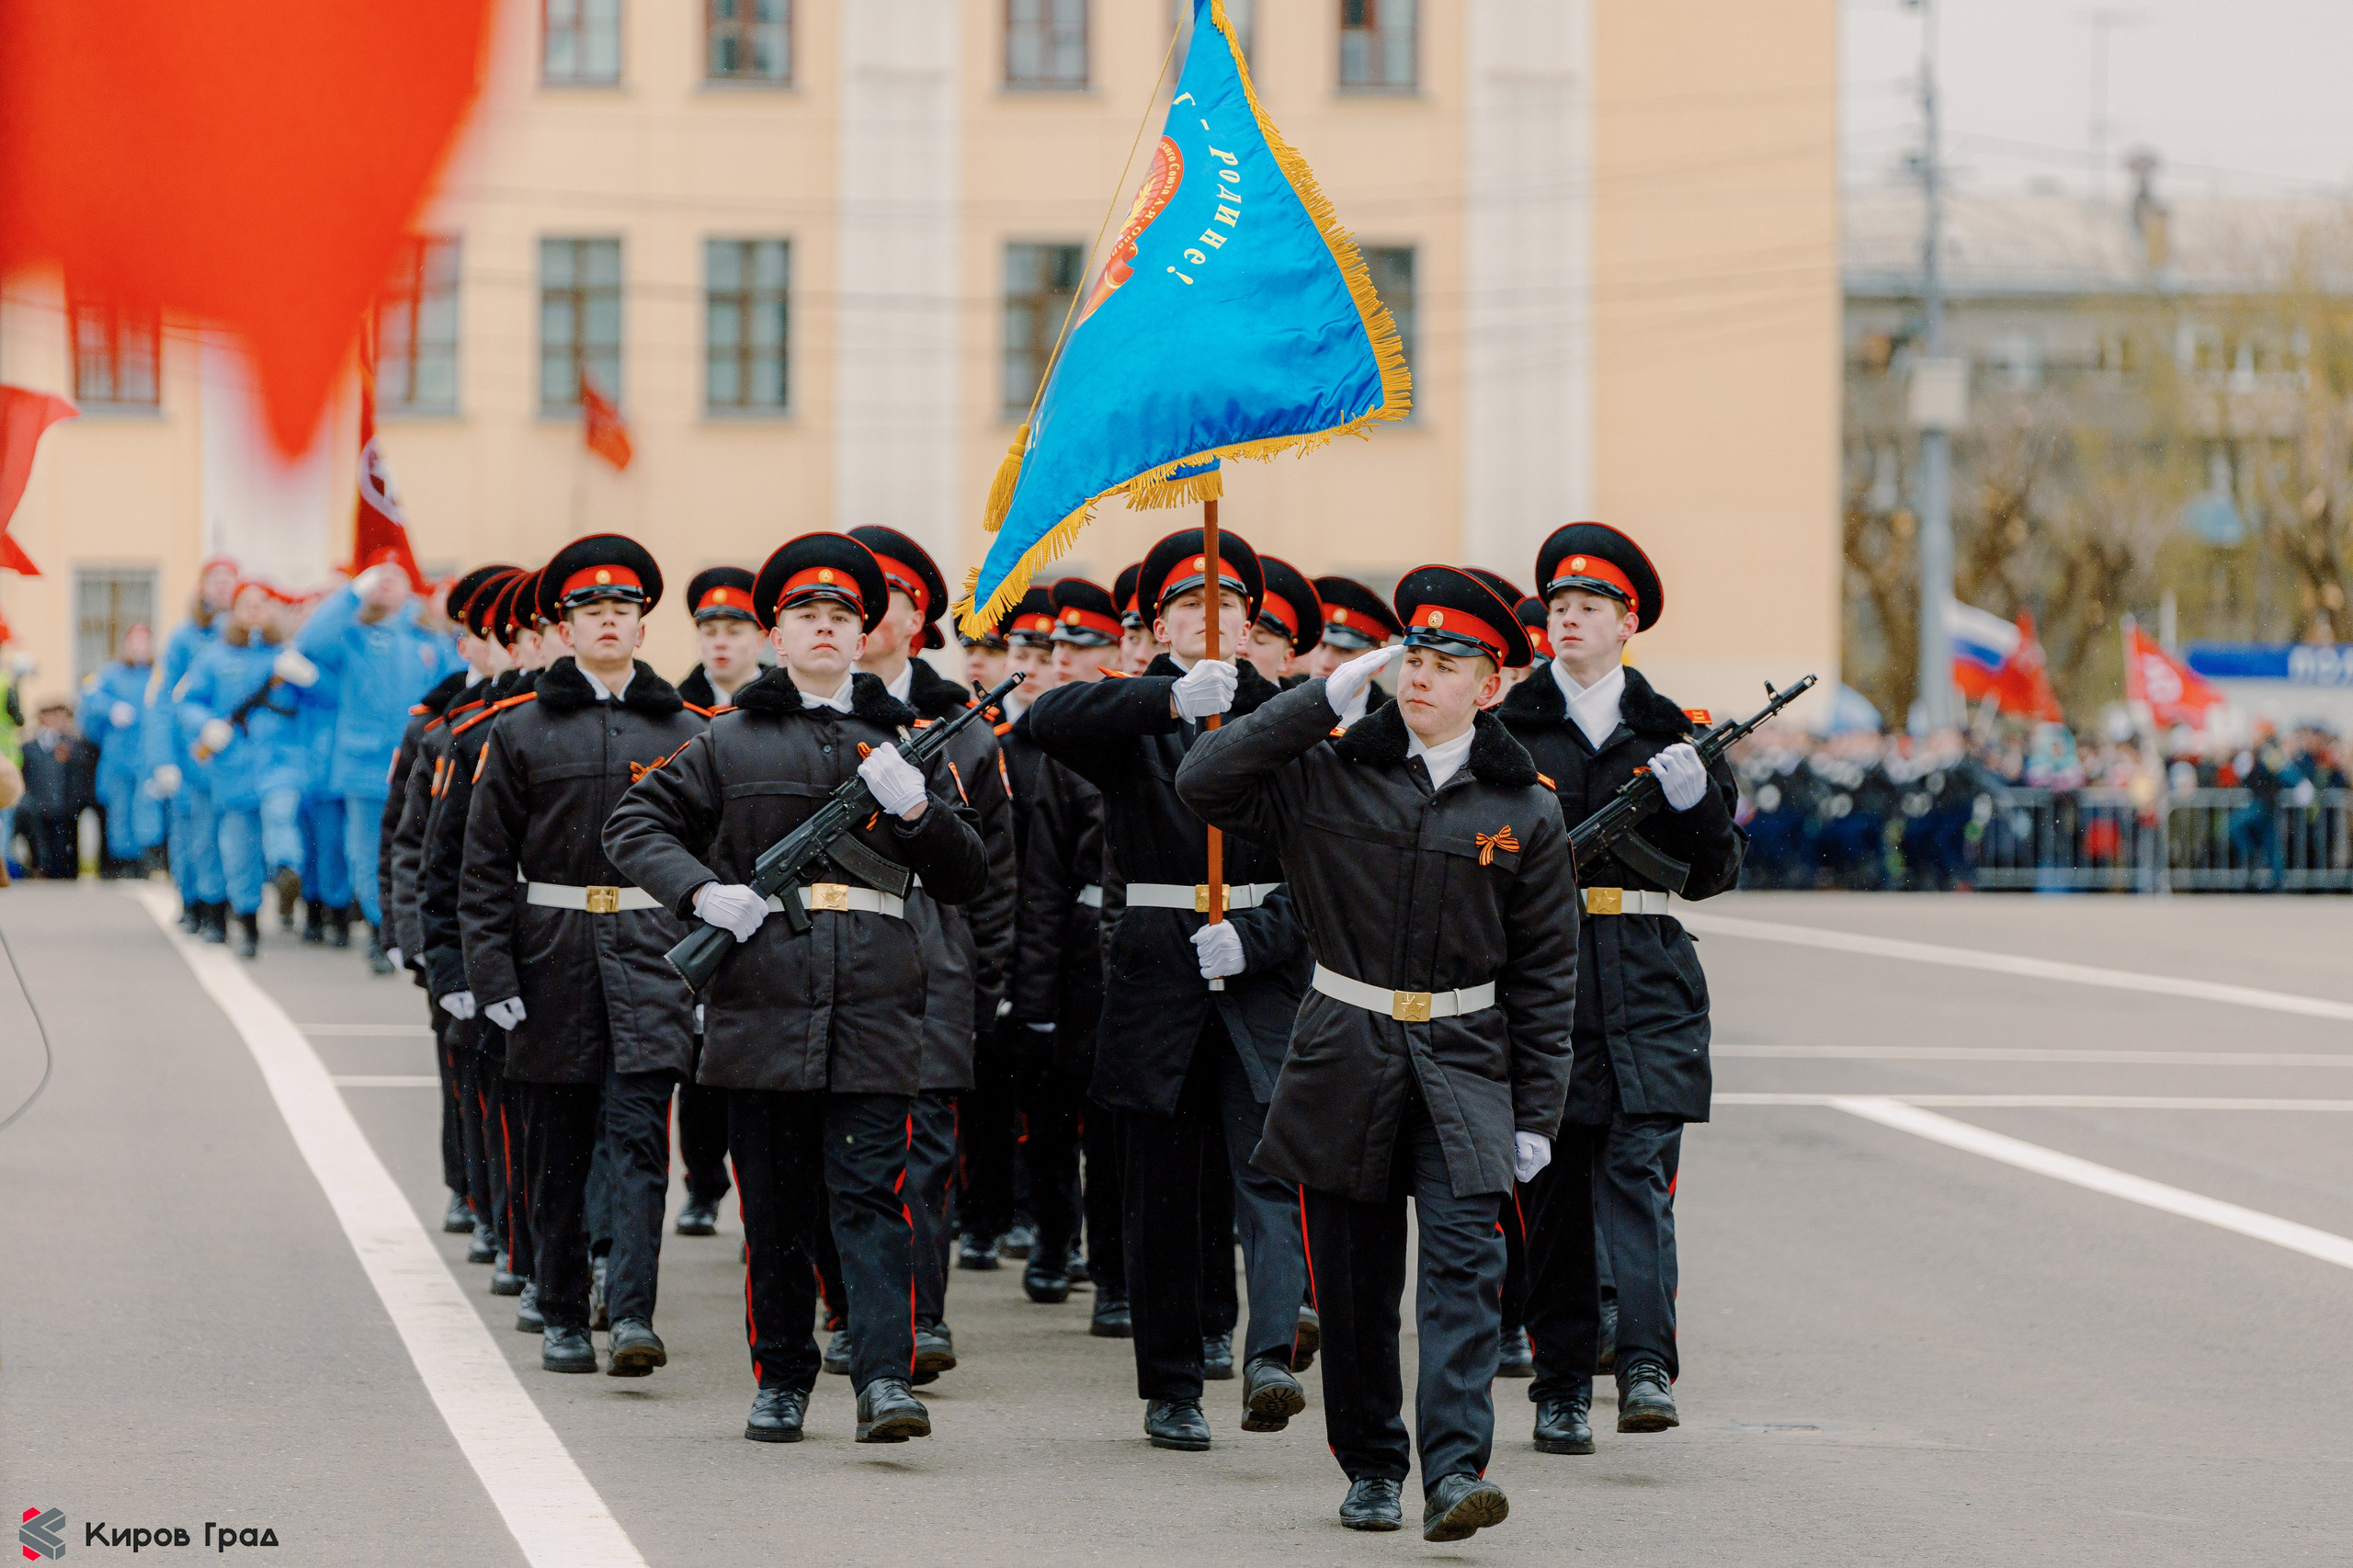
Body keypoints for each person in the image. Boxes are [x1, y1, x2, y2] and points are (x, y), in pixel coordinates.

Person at [1176, 564, 1576, 1541]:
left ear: (1491, 683)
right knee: (1353, 1286)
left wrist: (1536, 1114)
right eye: (1413, 658)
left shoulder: (1526, 808)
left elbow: (1547, 977)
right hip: (1342, 1053)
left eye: (1447, 663)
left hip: (1465, 1057)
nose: (1422, 676)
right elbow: (1206, 779)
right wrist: (1321, 696)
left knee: (1460, 1276)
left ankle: (1452, 1471)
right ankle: (1371, 1463)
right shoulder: (1327, 775)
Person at [602, 531, 988, 1445]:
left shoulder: (904, 747)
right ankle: (781, 1376)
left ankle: (885, 1376)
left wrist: (917, 809)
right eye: (807, 616)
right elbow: (634, 821)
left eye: (843, 617)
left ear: (865, 637)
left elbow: (970, 872)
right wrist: (702, 889)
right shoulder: (727, 740)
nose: (826, 628)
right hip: (763, 1000)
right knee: (772, 1206)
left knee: (869, 1196)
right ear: (778, 636)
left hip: (878, 1001)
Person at [1027, 526, 1314, 1453]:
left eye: (1227, 606)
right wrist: (1162, 697)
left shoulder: (1294, 717)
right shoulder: (1136, 722)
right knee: (1161, 1188)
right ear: (1156, 625)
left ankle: (1270, 1350)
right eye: (1188, 606)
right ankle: (1174, 1382)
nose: (1209, 619)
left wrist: (1261, 934)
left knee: (1273, 1169)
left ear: (1252, 620)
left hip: (1265, 963)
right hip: (1159, 963)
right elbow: (1044, 721)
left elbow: (1331, 868)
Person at [1496, 520, 1744, 1450]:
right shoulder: (1509, 729)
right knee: (1552, 1191)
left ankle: (1643, 1364)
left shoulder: (1669, 732)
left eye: (1589, 607)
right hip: (1545, 978)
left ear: (1625, 621)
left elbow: (1714, 871)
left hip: (1645, 977)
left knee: (1637, 1176)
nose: (1569, 619)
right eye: (1558, 606)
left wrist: (1698, 800)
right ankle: (1559, 1384)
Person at [456, 537, 703, 1380]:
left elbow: (714, 860)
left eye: (622, 610)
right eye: (590, 610)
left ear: (641, 625)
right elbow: (484, 866)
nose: (607, 621)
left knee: (638, 1142)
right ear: (565, 627)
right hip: (551, 956)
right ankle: (562, 1307)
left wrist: (704, 975)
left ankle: (630, 1311)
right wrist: (491, 978)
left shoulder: (684, 730)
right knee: (555, 1149)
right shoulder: (520, 731)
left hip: (650, 954)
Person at [835, 524, 1017, 1379]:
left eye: (889, 601)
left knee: (927, 1152)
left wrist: (992, 985)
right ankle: (848, 1312)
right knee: (839, 1144)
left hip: (934, 955)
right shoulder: (802, 715)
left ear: (919, 622)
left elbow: (1000, 878)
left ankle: (925, 1317)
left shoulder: (964, 733)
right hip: (829, 956)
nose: (868, 618)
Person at [424, 569, 548, 1314]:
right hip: (490, 943)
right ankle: (504, 1224)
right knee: (492, 1098)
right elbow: (431, 855)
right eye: (522, 636)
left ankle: (591, 1261)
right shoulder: (464, 732)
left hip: (576, 947)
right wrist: (439, 956)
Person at [387, 565, 518, 1241]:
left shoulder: (515, 722)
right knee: (462, 1068)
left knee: (503, 1075)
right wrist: (408, 934)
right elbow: (407, 843)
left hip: (513, 931)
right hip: (452, 932)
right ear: (467, 643)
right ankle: (467, 1187)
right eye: (491, 634)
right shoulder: (437, 727)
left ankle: (502, 1207)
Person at [1015, 578, 1126, 1327]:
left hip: (1138, 942)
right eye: (1057, 648)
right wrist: (1030, 994)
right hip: (1075, 945)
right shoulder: (1042, 747)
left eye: (1082, 648)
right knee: (1054, 1110)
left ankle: (1116, 1275)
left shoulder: (1140, 730)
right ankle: (1055, 1242)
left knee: (1117, 1119)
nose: (1064, 660)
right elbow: (1040, 882)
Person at [957, 585, 1059, 1272]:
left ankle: (1030, 1213)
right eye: (1016, 649)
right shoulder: (988, 741)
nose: (1025, 661)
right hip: (996, 925)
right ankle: (983, 1218)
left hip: (1049, 934)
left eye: (1037, 651)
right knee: (985, 1088)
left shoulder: (1065, 740)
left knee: (1043, 1090)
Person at [301, 556, 461, 973]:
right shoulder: (353, 634)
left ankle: (410, 928)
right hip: (365, 765)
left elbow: (461, 691)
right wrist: (351, 593)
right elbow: (310, 643)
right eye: (380, 576)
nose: (388, 583)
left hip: (422, 765)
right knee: (368, 852)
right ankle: (378, 928)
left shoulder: (430, 639)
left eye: (397, 576)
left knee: (418, 851)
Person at [670, 565, 767, 1239]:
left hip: (766, 898)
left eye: (735, 628)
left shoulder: (778, 710)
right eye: (710, 629)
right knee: (695, 1061)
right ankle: (702, 1186)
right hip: (700, 897)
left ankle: (756, 1200)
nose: (721, 642)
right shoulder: (676, 711)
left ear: (761, 636)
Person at [175, 581, 315, 957]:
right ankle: (249, 921)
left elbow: (323, 701)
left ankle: (286, 869)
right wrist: (206, 725)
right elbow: (187, 702)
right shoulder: (214, 657)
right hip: (233, 767)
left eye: (262, 604)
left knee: (281, 815)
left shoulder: (286, 655)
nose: (255, 610)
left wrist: (310, 679)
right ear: (234, 611)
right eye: (246, 604)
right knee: (240, 852)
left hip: (280, 763)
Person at [152, 557, 241, 935]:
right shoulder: (184, 638)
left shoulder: (245, 633)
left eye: (229, 580)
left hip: (234, 754)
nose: (223, 586)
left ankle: (225, 904)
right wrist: (162, 759)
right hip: (192, 755)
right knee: (196, 837)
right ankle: (198, 904)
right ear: (202, 586)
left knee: (233, 837)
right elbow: (164, 702)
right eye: (215, 579)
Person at [78, 624, 160, 877]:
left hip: (148, 755)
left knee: (147, 806)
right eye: (134, 642)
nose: (138, 648)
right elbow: (89, 697)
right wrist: (111, 708)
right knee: (120, 810)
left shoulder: (158, 675)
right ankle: (122, 861)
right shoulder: (111, 674)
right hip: (119, 755)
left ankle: (146, 859)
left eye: (143, 642)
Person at [18, 700, 94, 879]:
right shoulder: (30, 747)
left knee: (64, 844)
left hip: (64, 806)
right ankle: (42, 869)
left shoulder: (74, 745)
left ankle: (65, 873)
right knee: (41, 843)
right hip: (38, 805)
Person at [1243, 556, 1323, 687]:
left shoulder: (1300, 708)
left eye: (1260, 640)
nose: (1242, 649)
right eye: (1239, 636)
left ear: (1286, 659)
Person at [1307, 575, 1404, 682]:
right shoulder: (1286, 696)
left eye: (1345, 651)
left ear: (1379, 664)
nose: (1325, 663)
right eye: (1322, 645)